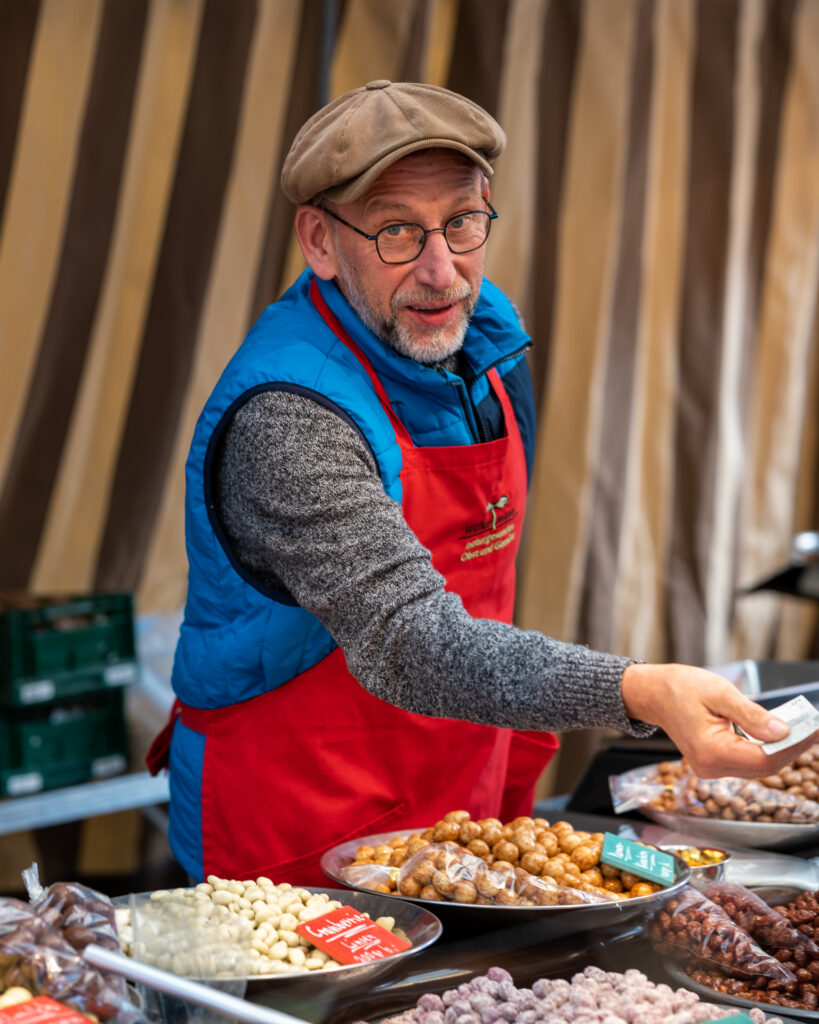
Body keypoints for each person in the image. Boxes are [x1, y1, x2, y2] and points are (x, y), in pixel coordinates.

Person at [148, 80, 816, 886]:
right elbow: (411, 639)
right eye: (396, 230)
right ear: (319, 242)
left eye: (461, 222)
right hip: (300, 829)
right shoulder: (288, 418)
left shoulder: (487, 348)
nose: (442, 272)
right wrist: (640, 690)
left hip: (459, 796)